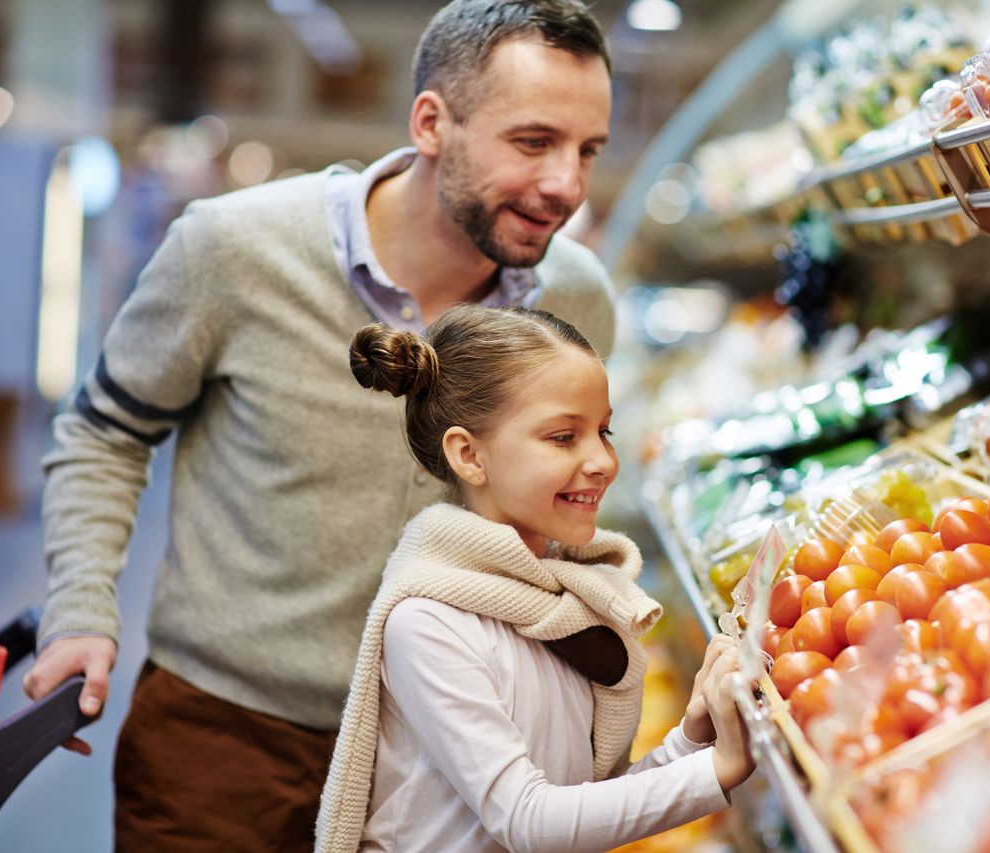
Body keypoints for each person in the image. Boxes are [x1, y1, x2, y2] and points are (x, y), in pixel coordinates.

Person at [23, 1, 619, 847]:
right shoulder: (234, 250)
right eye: (533, 142)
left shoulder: (578, 298)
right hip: (223, 740)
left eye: (588, 149)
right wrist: (81, 607)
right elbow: (105, 430)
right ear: (431, 124)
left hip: (447, 748)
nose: (568, 183)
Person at [316, 305, 754, 852]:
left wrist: (694, 737)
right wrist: (716, 770)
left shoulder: (561, 601)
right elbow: (529, 821)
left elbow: (588, 804)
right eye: (563, 437)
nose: (602, 460)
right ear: (469, 455)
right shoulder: (427, 622)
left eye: (604, 431)